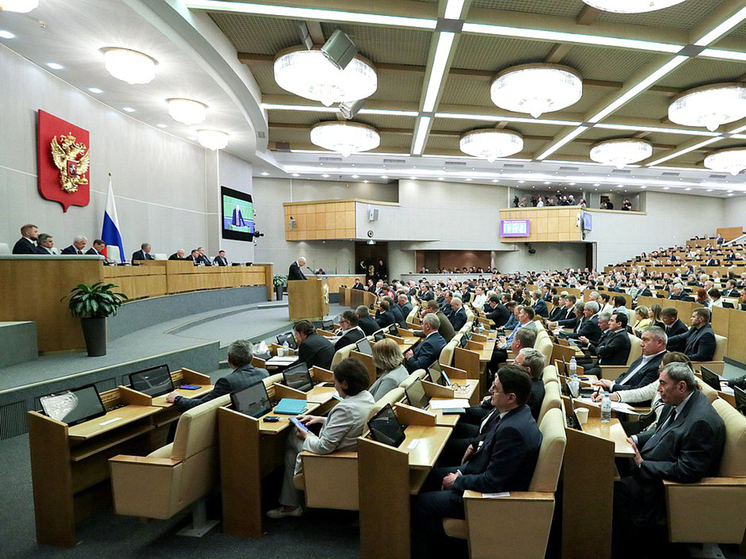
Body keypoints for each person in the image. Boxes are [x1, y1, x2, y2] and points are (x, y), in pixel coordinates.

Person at [413, 365, 542, 558]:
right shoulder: (515, 413)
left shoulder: (512, 430)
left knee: (420, 503)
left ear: (511, 397)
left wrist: (458, 481)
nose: (490, 391)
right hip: (476, 474)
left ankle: (440, 552)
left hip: (492, 499)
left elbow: (492, 482)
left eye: (495, 388)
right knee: (426, 476)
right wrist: (462, 473)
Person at [613, 363, 725, 545]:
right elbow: (660, 431)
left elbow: (689, 470)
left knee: (612, 488)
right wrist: (635, 439)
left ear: (681, 386)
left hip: (662, 487)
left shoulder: (700, 422)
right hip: (652, 462)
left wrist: (643, 464)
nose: (658, 389)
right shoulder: (678, 403)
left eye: (663, 384)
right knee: (608, 463)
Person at [268, 358, 375, 518]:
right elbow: (351, 422)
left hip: (335, 459)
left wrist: (306, 435)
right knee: (291, 455)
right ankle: (291, 505)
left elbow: (323, 448)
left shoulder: (345, 409)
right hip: (349, 449)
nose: (335, 385)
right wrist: (320, 419)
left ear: (345, 384)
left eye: (336, 382)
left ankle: (291, 502)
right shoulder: (366, 396)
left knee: (292, 436)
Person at [166, 339, 268, 410]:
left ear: (229, 360)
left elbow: (202, 406)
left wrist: (178, 398)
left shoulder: (227, 382)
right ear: (252, 358)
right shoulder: (264, 373)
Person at [593, 326, 667, 393]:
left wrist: (612, 386)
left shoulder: (660, 365)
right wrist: (612, 383)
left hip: (628, 402)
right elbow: (626, 375)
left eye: (646, 340)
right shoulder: (647, 355)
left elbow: (639, 391)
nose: (641, 344)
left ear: (659, 342)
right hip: (617, 392)